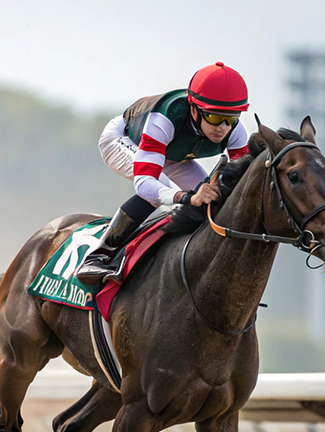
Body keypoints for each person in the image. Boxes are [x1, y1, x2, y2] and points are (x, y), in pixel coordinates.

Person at [76, 62, 250, 285]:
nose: (222, 128)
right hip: (124, 139)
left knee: (215, 199)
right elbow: (145, 184)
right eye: (215, 118)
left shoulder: (235, 132)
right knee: (160, 185)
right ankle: (98, 255)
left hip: (172, 154)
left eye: (231, 119)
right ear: (194, 109)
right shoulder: (165, 118)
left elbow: (241, 183)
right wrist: (185, 197)